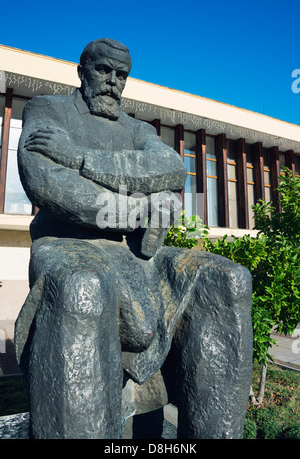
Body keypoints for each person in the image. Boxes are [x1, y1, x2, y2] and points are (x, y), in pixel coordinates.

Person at [15, 38, 253, 439]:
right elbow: (50, 186)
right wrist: (141, 207)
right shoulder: (47, 109)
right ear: (82, 70)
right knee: (82, 288)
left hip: (132, 250)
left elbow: (173, 170)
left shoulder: (137, 129)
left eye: (121, 75)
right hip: (65, 245)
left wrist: (81, 158)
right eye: (102, 71)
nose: (112, 82)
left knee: (228, 281)